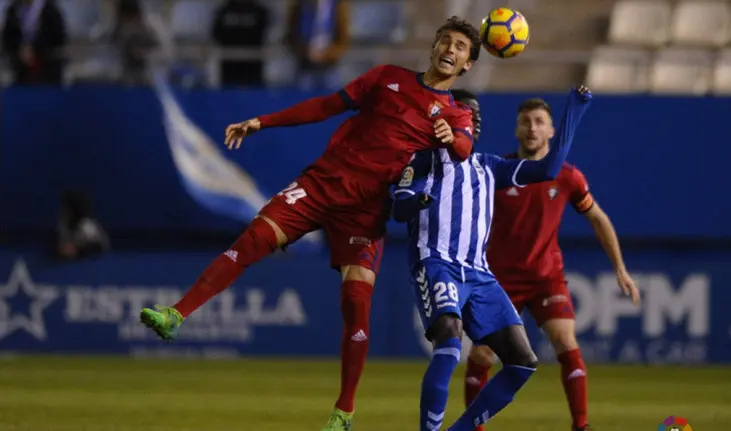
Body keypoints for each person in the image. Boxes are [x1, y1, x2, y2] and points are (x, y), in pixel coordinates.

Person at [139, 16, 482, 431]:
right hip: (321, 184)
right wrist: (262, 121)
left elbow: (465, 148)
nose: (450, 49)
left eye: (461, 47)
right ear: (433, 47)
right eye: (445, 40)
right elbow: (326, 106)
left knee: (356, 305)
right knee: (253, 239)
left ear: (467, 64)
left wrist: (450, 137)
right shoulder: (386, 78)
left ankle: (344, 412)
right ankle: (176, 315)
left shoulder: (455, 113)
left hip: (366, 210)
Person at [391, 86, 592, 431]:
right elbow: (398, 207)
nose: (474, 120)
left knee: (522, 361)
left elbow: (547, 170)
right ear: (448, 119)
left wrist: (575, 109)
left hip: (480, 274)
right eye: (467, 113)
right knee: (451, 339)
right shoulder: (422, 161)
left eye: (477, 117)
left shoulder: (490, 167)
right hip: (436, 263)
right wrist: (420, 201)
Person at [463, 96, 641, 431]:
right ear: (516, 128)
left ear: (551, 130)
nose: (532, 128)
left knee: (565, 342)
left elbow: (599, 219)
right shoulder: (496, 172)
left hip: (546, 277)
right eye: (525, 121)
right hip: (498, 280)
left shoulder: (567, 177)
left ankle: (581, 425)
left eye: (539, 122)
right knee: (482, 356)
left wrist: (620, 268)